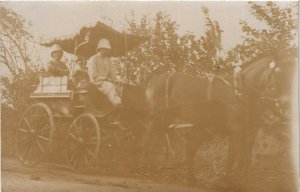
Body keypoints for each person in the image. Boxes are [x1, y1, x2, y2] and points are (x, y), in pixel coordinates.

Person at [87, 38, 121, 107]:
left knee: (120, 86)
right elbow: (93, 76)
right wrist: (106, 79)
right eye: (106, 49)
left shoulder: (108, 60)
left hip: (106, 82)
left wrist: (117, 81)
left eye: (108, 49)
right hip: (97, 83)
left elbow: (112, 74)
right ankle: (117, 104)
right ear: (100, 49)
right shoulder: (93, 59)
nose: (107, 51)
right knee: (110, 86)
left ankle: (119, 103)